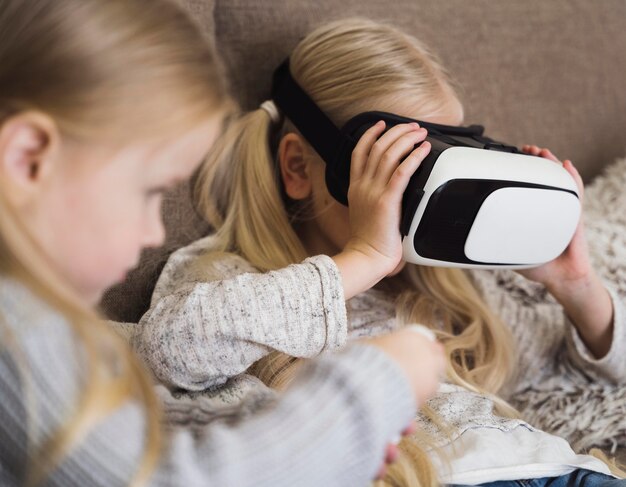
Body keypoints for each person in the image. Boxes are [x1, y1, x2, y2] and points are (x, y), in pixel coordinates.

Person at [133, 18, 626, 487]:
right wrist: (361, 259)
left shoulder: (443, 287)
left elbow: (600, 373)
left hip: (560, 468)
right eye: (404, 167)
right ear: (299, 168)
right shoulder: (234, 278)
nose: (429, 192)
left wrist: (575, 284)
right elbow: (167, 350)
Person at [0, 3, 447, 485]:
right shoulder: (15, 334)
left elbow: (126, 431)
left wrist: (328, 451)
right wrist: (371, 392)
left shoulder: (41, 324)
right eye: (149, 193)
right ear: (29, 160)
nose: (155, 233)